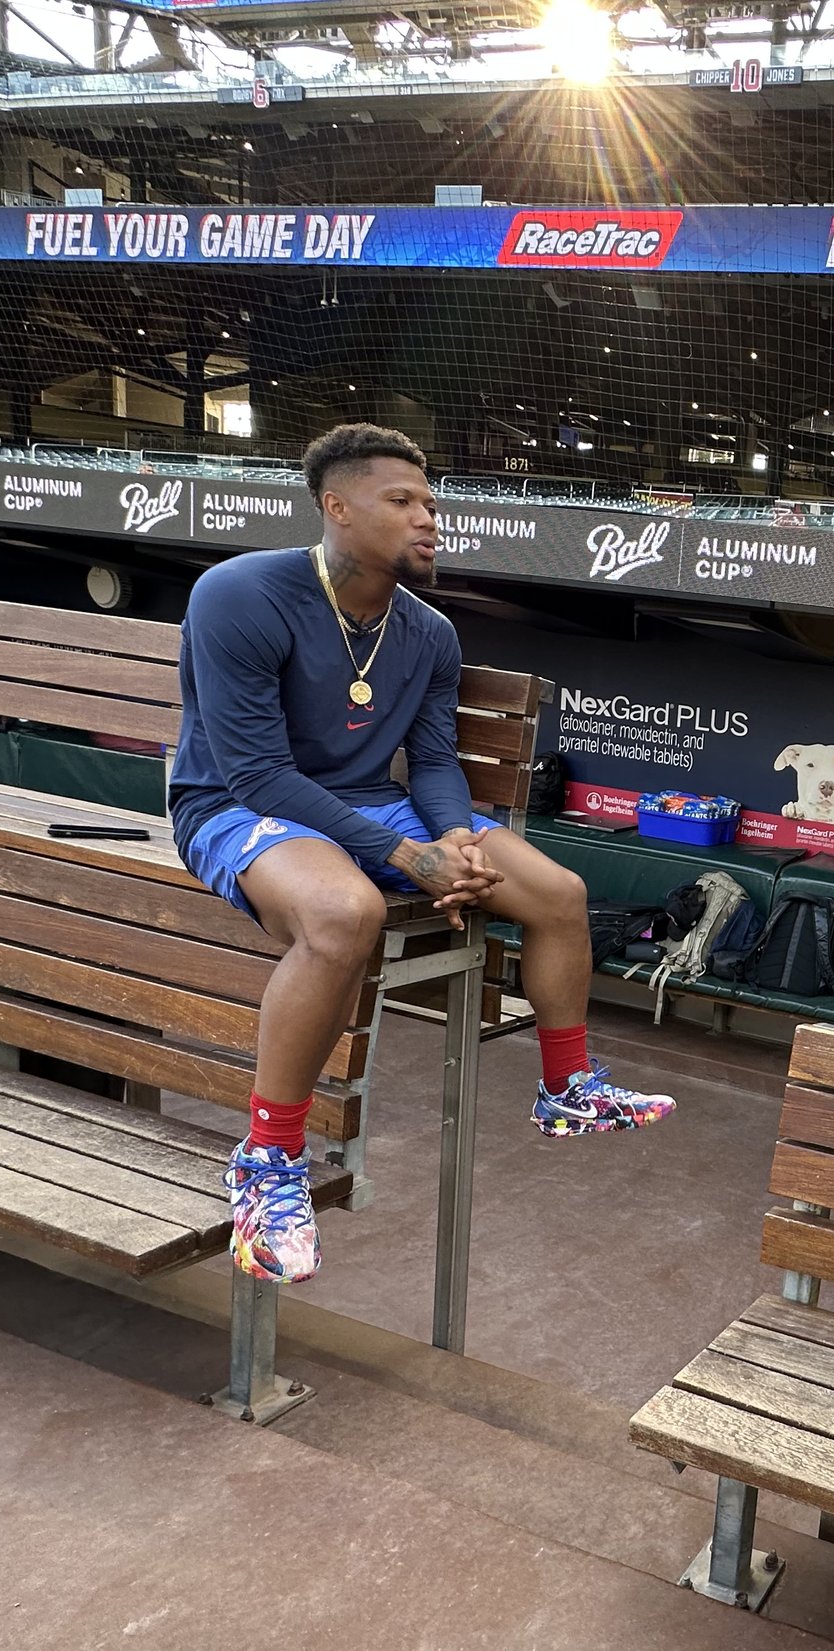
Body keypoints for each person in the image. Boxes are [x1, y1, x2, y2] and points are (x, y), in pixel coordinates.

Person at [168, 423, 675, 1286]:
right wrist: (407, 856)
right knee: (345, 912)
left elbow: (435, 760)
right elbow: (257, 774)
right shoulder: (240, 593)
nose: (428, 519)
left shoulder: (430, 632)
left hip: (373, 807)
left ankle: (566, 1089)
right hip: (235, 804)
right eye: (402, 501)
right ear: (337, 507)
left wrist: (453, 839)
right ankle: (268, 1161)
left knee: (558, 891)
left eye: (432, 503)